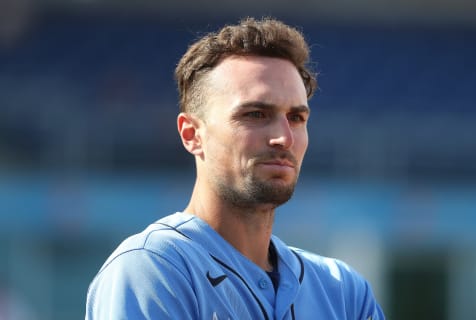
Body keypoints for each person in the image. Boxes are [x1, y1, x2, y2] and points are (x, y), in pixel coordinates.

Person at [85, 17, 385, 319]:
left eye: (296, 118)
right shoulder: (153, 269)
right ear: (192, 134)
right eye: (255, 114)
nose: (284, 137)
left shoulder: (343, 292)